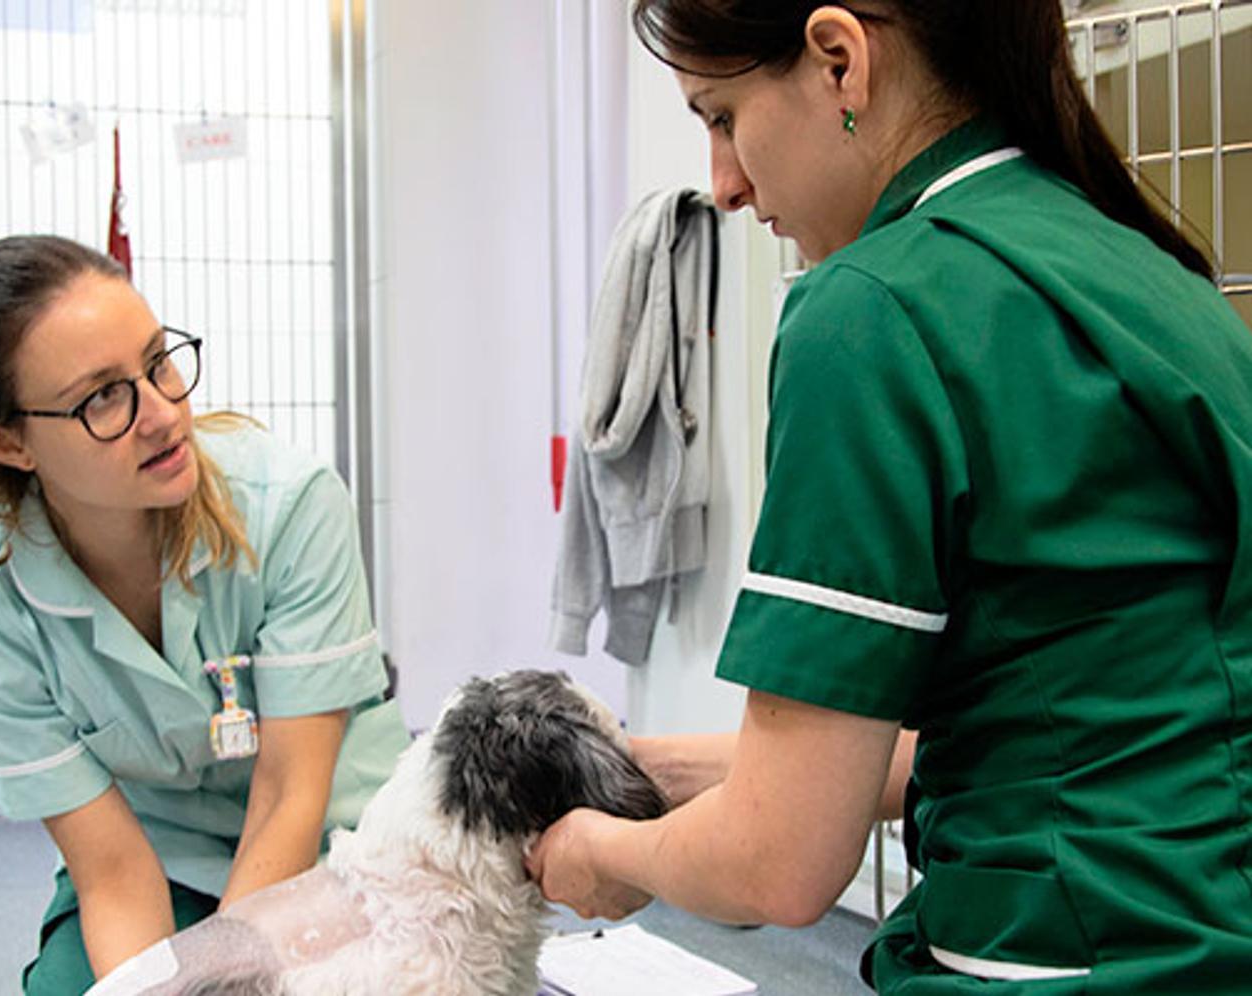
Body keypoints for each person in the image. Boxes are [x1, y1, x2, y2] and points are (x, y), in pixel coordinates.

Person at [527, 2, 1252, 992]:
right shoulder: (1159, 280)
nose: (724, 186)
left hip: (1050, 953)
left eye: (723, 116)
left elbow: (777, 864)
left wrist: (593, 851)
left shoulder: (872, 310)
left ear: (839, 60)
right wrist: (658, 768)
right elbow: (1063, 722)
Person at [0, 235, 411, 995]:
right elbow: (112, 871)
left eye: (157, 363)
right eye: (102, 395)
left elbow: (287, 802)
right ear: (8, 442)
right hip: (159, 854)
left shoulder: (292, 507)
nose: (161, 414)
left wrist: (229, 983)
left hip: (339, 843)